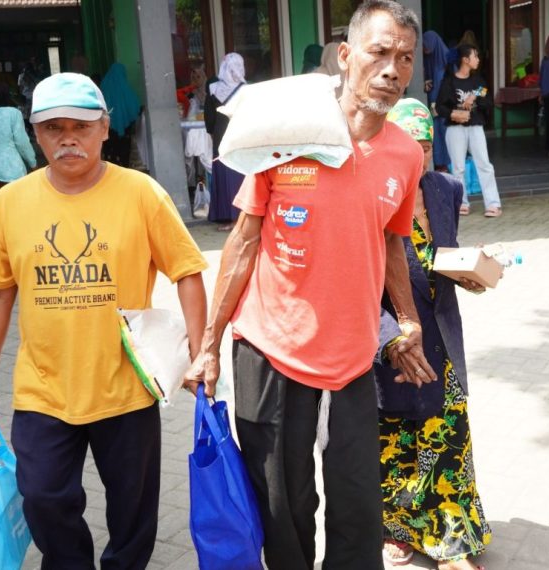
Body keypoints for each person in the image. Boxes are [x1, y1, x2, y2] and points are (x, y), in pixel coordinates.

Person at [184, 3, 436, 568]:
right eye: (379, 52)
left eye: (405, 58)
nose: (393, 70)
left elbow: (392, 242)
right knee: (282, 500)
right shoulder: (288, 137)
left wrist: (408, 319)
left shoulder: (402, 152)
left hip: (352, 352)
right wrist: (207, 345)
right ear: (346, 57)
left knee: (356, 501)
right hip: (271, 347)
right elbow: (244, 240)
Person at [0, 72, 209, 569]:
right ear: (35, 134)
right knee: (44, 497)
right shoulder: (9, 204)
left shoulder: (141, 194)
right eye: (53, 127)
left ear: (104, 129)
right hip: (44, 388)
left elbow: (187, 271)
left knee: (132, 507)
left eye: (81, 125)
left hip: (126, 386)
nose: (67, 138)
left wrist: (201, 352)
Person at [378, 98, 491, 570]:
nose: (417, 155)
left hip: (441, 338)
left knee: (446, 440)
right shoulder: (373, 197)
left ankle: (450, 543)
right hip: (393, 344)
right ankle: (397, 528)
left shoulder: (445, 188)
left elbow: (447, 254)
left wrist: (470, 273)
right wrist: (391, 339)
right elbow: (361, 283)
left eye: (425, 145)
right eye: (407, 145)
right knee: (397, 439)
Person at [437, 43, 502, 218]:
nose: (478, 59)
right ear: (466, 60)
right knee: (458, 168)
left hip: (475, 127)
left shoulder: (479, 81)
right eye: (475, 56)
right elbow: (440, 107)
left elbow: (488, 101)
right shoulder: (449, 81)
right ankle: (462, 203)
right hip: (455, 128)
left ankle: (493, 204)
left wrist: (475, 98)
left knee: (484, 165)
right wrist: (454, 114)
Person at [205, 53, 248, 231]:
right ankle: (242, 217)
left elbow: (209, 118)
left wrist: (213, 132)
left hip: (222, 140)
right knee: (239, 177)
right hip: (242, 140)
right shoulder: (246, 89)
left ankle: (228, 218)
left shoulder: (215, 89)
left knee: (225, 177)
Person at [423, 31, 456, 171]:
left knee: (447, 133)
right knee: (435, 134)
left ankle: (450, 164)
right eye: (424, 46)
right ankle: (439, 164)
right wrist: (424, 83)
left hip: (445, 105)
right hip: (432, 106)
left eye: (427, 45)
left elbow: (456, 81)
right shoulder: (426, 59)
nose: (425, 49)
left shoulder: (449, 59)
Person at [99, 63, 142, 167]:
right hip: (125, 133)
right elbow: (135, 109)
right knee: (123, 153)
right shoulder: (126, 90)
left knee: (110, 154)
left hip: (108, 129)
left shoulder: (104, 88)